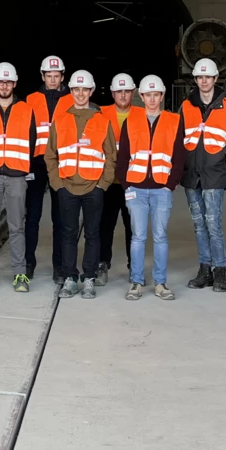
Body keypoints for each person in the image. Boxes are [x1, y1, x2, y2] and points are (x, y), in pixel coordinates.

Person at [46, 69, 116, 299]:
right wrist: (57, 184)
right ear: (71, 91)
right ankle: (69, 277)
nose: (80, 94)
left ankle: (89, 278)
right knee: (68, 233)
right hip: (67, 187)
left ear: (91, 91)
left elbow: (110, 156)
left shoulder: (101, 121)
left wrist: (102, 185)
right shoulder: (61, 120)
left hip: (93, 188)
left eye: (84, 89)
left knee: (93, 234)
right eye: (76, 89)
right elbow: (51, 155)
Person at [115, 75, 185, 300]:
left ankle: (160, 283)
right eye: (148, 95)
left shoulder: (174, 121)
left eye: (156, 95)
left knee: (160, 236)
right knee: (138, 237)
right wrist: (127, 185)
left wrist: (170, 185)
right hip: (136, 188)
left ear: (162, 96)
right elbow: (123, 156)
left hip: (161, 189)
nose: (152, 99)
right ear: (141, 97)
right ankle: (136, 282)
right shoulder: (131, 122)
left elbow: (179, 157)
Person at [0, 62, 35, 292]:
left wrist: (23, 170)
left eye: (8, 81)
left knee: (16, 226)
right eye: (1, 81)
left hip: (17, 176)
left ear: (15, 83)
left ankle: (20, 274)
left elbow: (31, 142)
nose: (4, 85)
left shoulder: (26, 109)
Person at [181, 57, 226, 291]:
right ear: (196, 79)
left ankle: (220, 271)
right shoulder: (186, 106)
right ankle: (205, 269)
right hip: (192, 174)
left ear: (215, 79)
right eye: (200, 77)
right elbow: (179, 139)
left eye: (208, 77)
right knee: (198, 224)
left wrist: (221, 157)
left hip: (213, 173)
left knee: (213, 223)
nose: (204, 81)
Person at [24, 55, 75, 281]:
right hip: (36, 163)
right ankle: (28, 262)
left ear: (62, 76)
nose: (53, 80)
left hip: (60, 165)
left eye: (56, 76)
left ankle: (59, 265)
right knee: (32, 216)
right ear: (42, 76)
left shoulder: (72, 99)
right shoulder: (30, 99)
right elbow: (24, 132)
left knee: (60, 218)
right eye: (49, 76)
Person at [97, 72, 136, 284]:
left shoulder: (140, 114)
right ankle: (103, 264)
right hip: (109, 181)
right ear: (112, 93)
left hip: (132, 182)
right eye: (119, 91)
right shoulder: (101, 114)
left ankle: (134, 266)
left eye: (126, 91)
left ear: (133, 93)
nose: (122, 95)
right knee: (106, 226)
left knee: (133, 227)